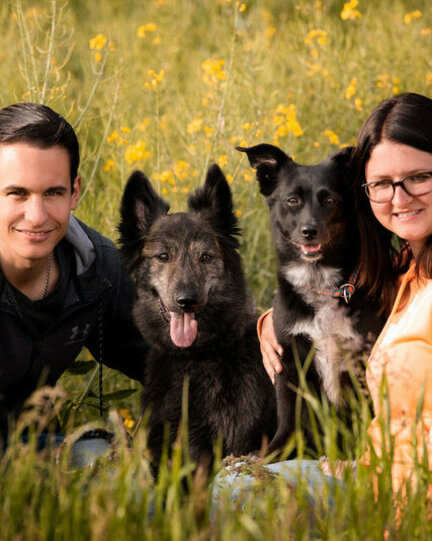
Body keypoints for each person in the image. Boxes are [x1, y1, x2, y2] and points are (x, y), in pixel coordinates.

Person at [213, 92, 432, 506]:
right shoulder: (399, 268)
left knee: (235, 493)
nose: (400, 198)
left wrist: (367, 464)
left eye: (419, 178)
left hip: (393, 482)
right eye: (383, 184)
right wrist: (271, 323)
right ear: (365, 191)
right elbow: (323, 306)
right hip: (367, 466)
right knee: (230, 483)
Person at [0, 102, 148, 448]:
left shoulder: (96, 270)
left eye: (53, 193)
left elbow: (171, 356)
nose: (36, 216)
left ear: (75, 192)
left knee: (110, 462)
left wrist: (264, 326)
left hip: (30, 453)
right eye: (17, 193)